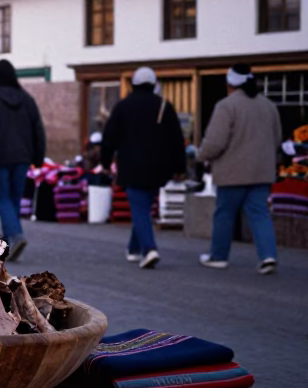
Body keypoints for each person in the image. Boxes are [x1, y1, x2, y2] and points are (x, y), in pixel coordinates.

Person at [197, 64, 282, 274]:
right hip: (262, 172)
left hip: (232, 172)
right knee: (260, 214)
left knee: (225, 214)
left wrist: (201, 156)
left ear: (230, 84)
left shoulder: (227, 106)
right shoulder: (269, 106)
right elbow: (277, 138)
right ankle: (268, 255)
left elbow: (216, 141)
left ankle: (219, 256)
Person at [100, 67, 186, 269]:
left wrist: (105, 163)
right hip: (158, 168)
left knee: (139, 209)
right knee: (143, 208)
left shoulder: (123, 106)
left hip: (131, 166)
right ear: (154, 84)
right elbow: (176, 139)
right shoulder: (164, 106)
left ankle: (149, 249)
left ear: (134, 84)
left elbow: (109, 138)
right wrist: (179, 168)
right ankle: (133, 248)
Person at [0, 59, 46, 260]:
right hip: (22, 158)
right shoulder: (27, 100)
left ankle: (15, 236)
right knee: (13, 199)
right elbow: (38, 130)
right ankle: (8, 242)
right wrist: (39, 157)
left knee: (1, 199)